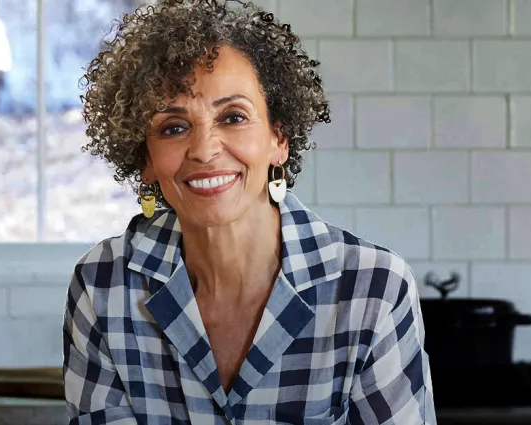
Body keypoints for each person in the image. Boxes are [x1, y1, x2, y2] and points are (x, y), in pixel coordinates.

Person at [63, 0, 434, 423]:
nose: (204, 150)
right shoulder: (102, 284)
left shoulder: (373, 288)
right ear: (145, 158)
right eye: (173, 127)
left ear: (279, 139)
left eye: (233, 117)